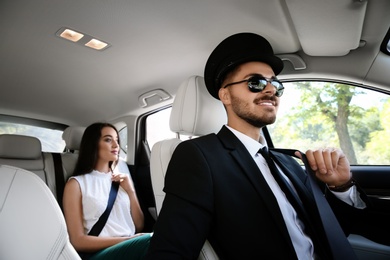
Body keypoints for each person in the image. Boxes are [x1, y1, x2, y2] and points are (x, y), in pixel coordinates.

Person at [145, 33, 390, 259]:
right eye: (255, 82)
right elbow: (170, 252)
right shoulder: (200, 156)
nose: (271, 89)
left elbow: (335, 231)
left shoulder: (289, 162)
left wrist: (341, 186)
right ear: (225, 96)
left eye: (276, 84)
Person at [63, 122, 151, 260]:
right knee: (153, 241)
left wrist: (131, 191)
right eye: (108, 140)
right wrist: (127, 241)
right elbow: (77, 241)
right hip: (100, 253)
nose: (116, 146)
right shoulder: (76, 184)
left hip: (131, 245)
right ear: (93, 144)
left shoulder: (122, 180)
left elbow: (139, 225)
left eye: (117, 140)